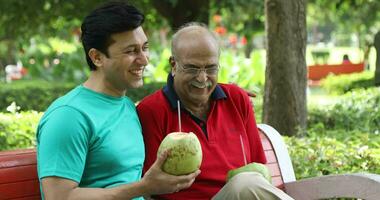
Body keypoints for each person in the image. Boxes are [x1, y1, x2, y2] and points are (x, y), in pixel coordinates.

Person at [36, 2, 199, 200]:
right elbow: (58, 197)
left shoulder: (127, 106)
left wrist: (227, 91)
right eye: (131, 51)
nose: (144, 60)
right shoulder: (68, 116)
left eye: (144, 48)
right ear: (97, 57)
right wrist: (143, 187)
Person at [137, 23, 294, 199]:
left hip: (241, 193)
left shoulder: (236, 99)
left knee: (246, 182)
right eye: (192, 68)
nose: (202, 78)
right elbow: (153, 187)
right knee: (245, 184)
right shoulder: (151, 111)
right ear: (174, 65)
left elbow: (258, 168)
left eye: (211, 68)